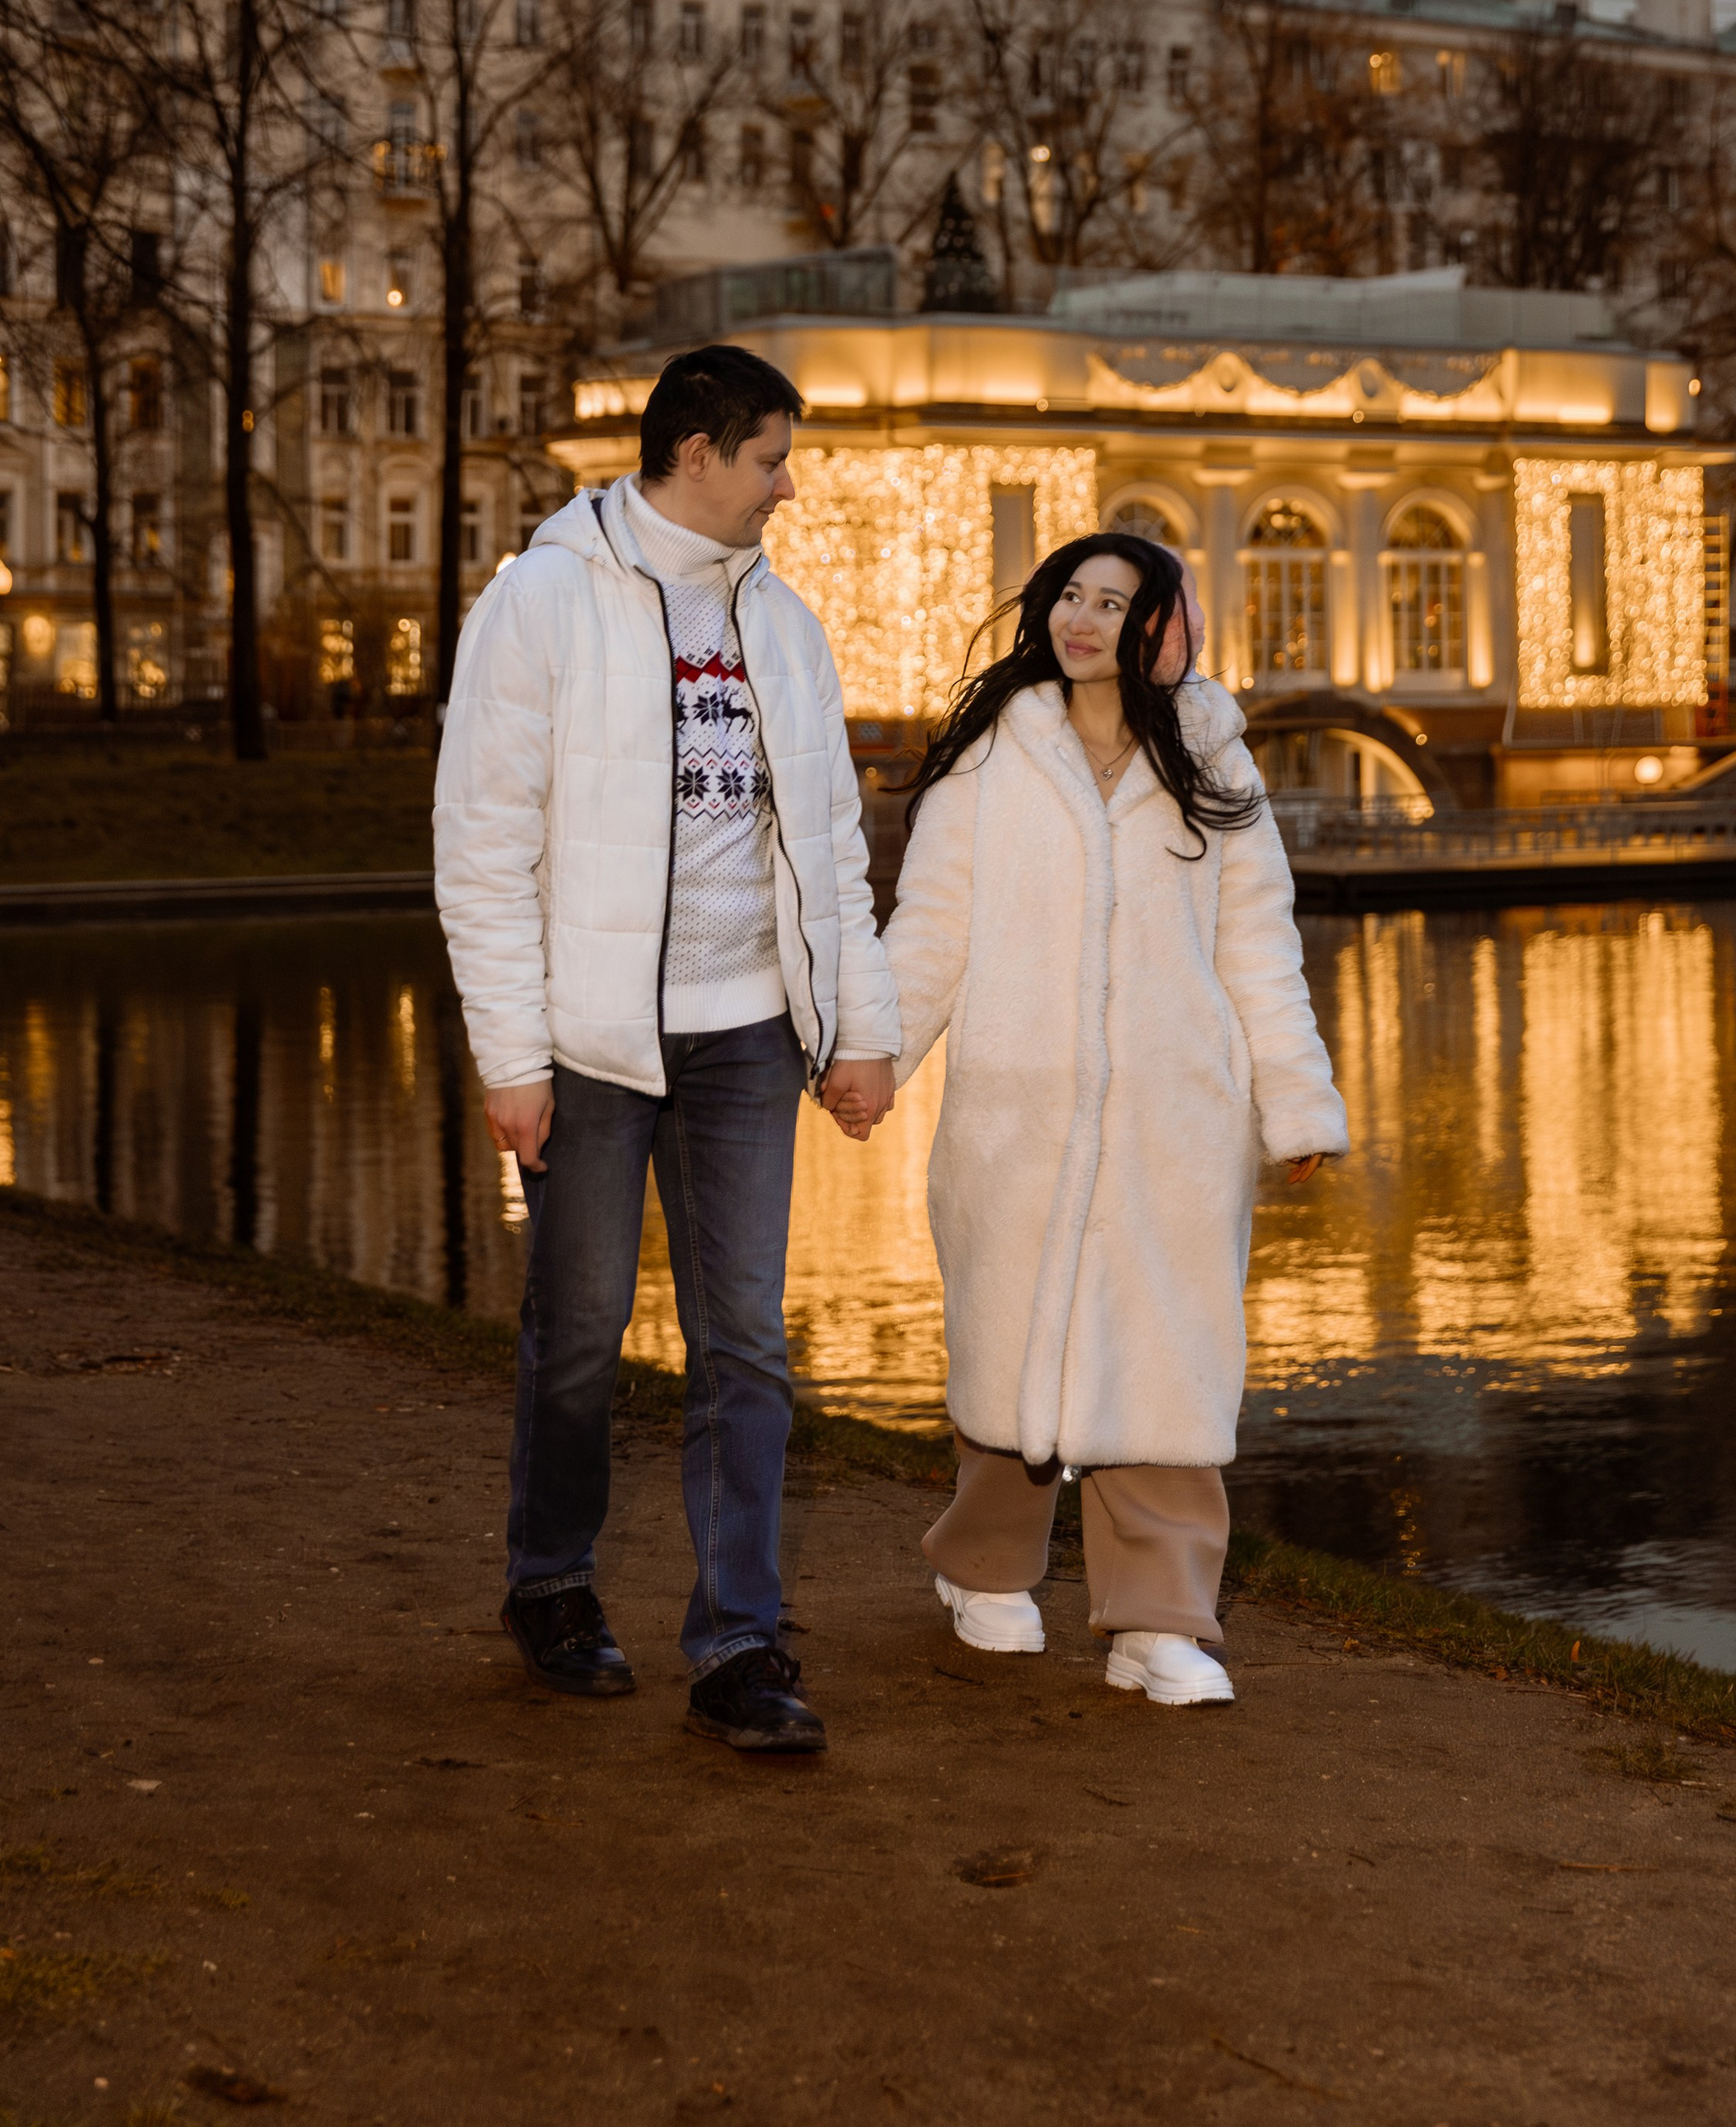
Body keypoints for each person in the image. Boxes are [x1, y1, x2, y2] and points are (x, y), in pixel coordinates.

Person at [434, 342, 899, 1756]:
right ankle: (553, 1584)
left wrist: (855, 1030)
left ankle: (740, 1641)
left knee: (746, 1343)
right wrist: (513, 1055)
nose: (788, 483)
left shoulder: (790, 623)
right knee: (575, 1339)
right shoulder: (542, 603)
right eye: (772, 456)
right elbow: (483, 844)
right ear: (695, 448)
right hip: (588, 1048)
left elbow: (829, 848)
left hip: (749, 1039)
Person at [880, 531, 1346, 1706]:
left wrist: (1294, 1100)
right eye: (1070, 598)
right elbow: (932, 927)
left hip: (1175, 1122)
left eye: (1115, 603)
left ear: (1162, 626)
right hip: (1018, 1112)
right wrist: (870, 1056)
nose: (1084, 620)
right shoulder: (992, 757)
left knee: (1168, 1360)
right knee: (1010, 1349)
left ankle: (1160, 1617)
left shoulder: (1215, 761)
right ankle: (984, 1570)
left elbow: (1258, 946)